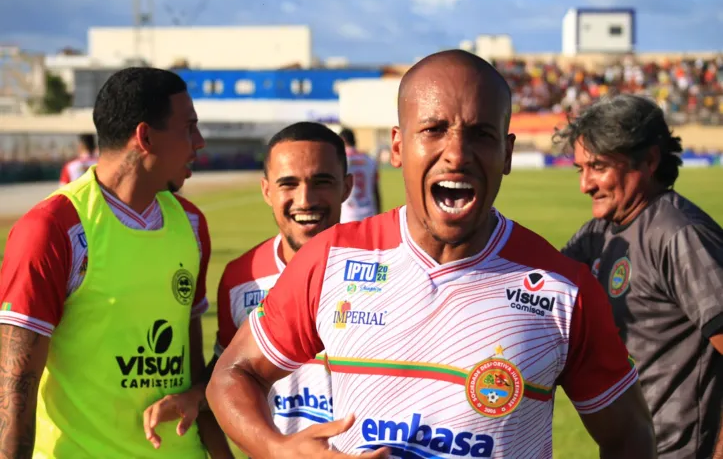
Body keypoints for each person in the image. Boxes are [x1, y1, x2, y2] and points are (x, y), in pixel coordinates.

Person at [205, 50, 656, 459]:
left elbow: (629, 436)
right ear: (398, 147)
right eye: (434, 130)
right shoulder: (330, 260)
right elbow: (233, 374)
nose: (456, 155)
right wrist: (278, 449)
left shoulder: (564, 289)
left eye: (480, 134)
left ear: (507, 153)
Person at [0, 67, 230, 458]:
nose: (200, 142)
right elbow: (14, 385)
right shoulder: (55, 228)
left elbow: (192, 375)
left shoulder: (191, 224)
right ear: (145, 137)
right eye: (188, 128)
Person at [143, 122, 351, 445]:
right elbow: (224, 376)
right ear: (267, 190)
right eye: (288, 184)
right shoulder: (242, 277)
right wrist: (194, 397)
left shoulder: (385, 268)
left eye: (321, 181)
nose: (305, 199)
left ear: (347, 187)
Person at [556, 93, 723, 459]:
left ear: (649, 160)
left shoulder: (680, 235)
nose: (585, 185)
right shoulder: (597, 234)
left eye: (598, 167)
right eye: (580, 169)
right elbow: (540, 293)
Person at [338, 128, 381, 223]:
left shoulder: (340, 161)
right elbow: (376, 190)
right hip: (369, 214)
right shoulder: (370, 160)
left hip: (347, 215)